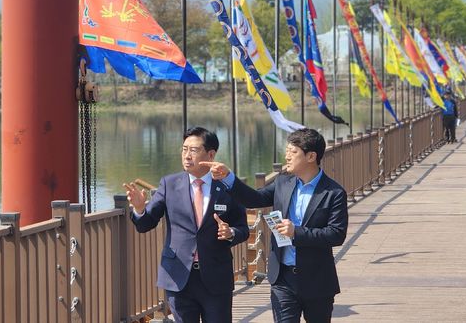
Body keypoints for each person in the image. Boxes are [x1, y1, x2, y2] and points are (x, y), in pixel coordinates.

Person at [201, 128, 349, 323]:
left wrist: (296, 232)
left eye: (293, 152)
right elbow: (255, 198)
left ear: (311, 156)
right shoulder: (283, 182)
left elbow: (336, 234)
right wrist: (228, 177)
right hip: (283, 279)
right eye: (286, 150)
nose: (287, 156)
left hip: (317, 280)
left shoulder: (333, 192)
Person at [125, 127, 250, 323]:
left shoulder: (227, 186)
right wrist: (140, 209)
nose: (187, 155)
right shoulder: (169, 184)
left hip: (216, 278)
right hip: (179, 277)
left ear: (210, 154)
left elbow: (244, 228)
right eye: (184, 149)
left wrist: (231, 232)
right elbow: (145, 224)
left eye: (193, 150)